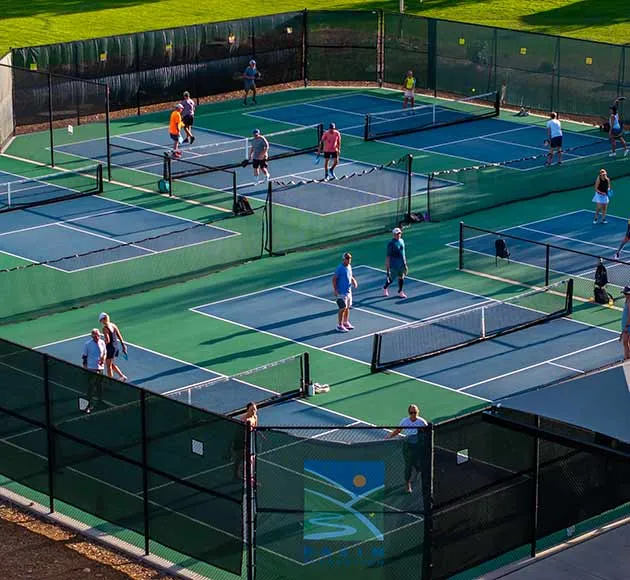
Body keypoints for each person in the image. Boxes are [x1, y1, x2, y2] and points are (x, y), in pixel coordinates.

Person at [386, 404, 428, 493]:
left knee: (419, 465)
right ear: (409, 413)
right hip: (408, 446)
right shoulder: (404, 421)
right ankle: (407, 485)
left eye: (415, 412)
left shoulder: (422, 422)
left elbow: (427, 434)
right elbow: (397, 431)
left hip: (418, 446)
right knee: (408, 466)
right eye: (411, 412)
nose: (413, 414)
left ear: (418, 412)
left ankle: (418, 473)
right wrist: (387, 438)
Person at [332, 252, 358, 333]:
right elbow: (334, 279)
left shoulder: (349, 266)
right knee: (342, 308)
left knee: (347, 308)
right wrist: (335, 289)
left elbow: (350, 275)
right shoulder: (340, 268)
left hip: (348, 292)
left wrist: (354, 281)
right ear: (344, 259)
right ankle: (340, 325)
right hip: (341, 292)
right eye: (347, 258)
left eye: (349, 258)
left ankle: (345, 322)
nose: (349, 260)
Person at [82, 328, 106, 413]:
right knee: (90, 388)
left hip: (100, 368)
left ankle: (100, 402)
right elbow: (84, 357)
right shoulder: (87, 344)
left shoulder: (102, 342)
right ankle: (87, 406)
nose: (97, 336)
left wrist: (103, 359)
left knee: (100, 386)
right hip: (91, 368)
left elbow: (104, 353)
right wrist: (85, 367)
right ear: (92, 336)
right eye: (95, 335)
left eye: (98, 334)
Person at [232, 402, 258, 481]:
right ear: (248, 410)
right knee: (239, 459)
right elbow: (239, 432)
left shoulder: (255, 417)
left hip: (249, 440)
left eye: (255, 409)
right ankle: (236, 475)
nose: (254, 411)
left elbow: (255, 427)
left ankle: (249, 476)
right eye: (252, 409)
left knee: (251, 458)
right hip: (241, 441)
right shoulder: (244, 419)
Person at [99, 312, 127, 381]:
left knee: (108, 366)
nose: (101, 322)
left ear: (104, 319)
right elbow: (119, 335)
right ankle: (122, 376)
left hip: (110, 348)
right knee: (110, 363)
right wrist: (123, 345)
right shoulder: (113, 325)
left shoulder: (105, 329)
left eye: (101, 320)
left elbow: (107, 340)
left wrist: (102, 347)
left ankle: (110, 381)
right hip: (115, 347)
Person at [383, 227, 408, 299]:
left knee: (401, 277)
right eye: (397, 234)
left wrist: (405, 264)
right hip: (394, 265)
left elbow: (403, 253)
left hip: (401, 264)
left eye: (399, 233)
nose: (399, 235)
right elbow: (388, 256)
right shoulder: (391, 244)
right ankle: (385, 287)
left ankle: (400, 291)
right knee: (391, 279)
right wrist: (387, 267)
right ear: (394, 235)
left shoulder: (402, 241)